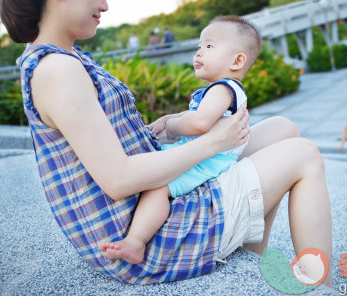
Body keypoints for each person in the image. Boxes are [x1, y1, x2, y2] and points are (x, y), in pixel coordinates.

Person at [0, 0, 333, 288]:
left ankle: (249, 248)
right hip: (150, 238)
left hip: (155, 208)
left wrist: (170, 127)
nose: (106, 4)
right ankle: (321, 288)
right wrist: (210, 144)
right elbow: (119, 179)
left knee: (283, 129)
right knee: (304, 154)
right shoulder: (57, 70)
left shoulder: (68, 59)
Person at [99, 15, 258, 264]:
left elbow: (200, 122)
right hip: (211, 154)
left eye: (209, 46)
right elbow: (195, 115)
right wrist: (169, 119)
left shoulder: (222, 89)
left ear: (237, 60)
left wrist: (172, 125)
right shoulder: (222, 89)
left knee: (158, 187)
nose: (199, 53)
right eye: (199, 46)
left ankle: (135, 242)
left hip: (210, 161)